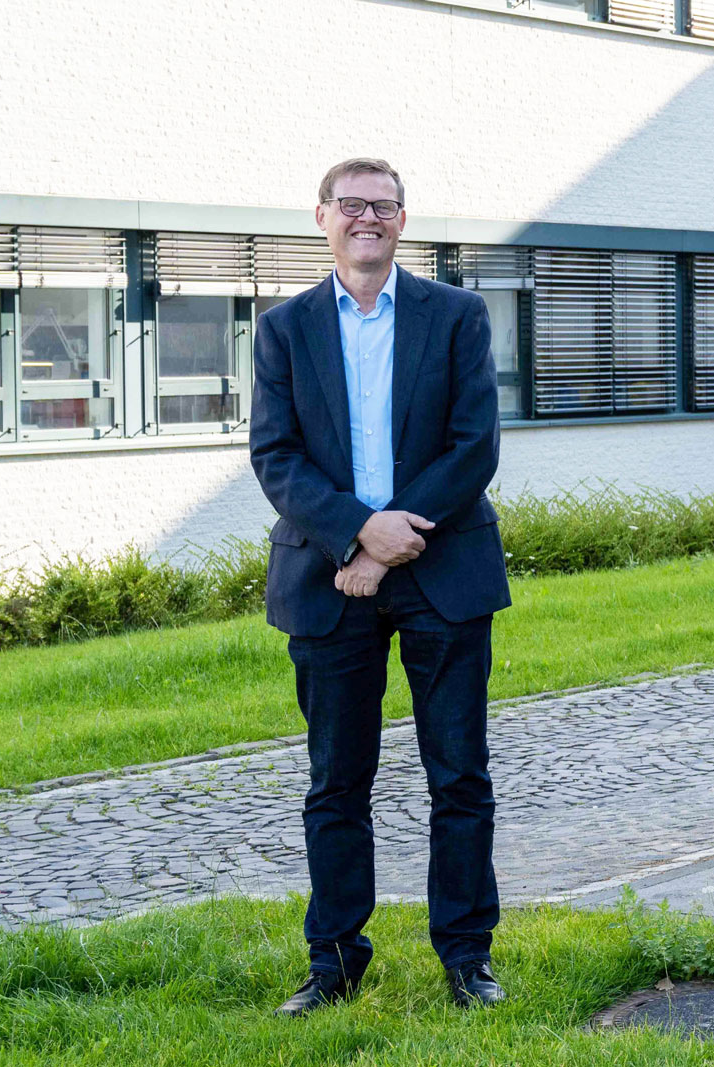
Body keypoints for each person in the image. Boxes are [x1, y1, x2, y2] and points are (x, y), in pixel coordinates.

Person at [249, 157, 511, 1016]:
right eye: (351, 205)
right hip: (330, 578)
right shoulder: (284, 328)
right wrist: (360, 532)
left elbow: (474, 446)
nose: (368, 218)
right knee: (336, 780)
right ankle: (334, 962)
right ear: (321, 215)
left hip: (442, 572)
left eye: (383, 206)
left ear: (404, 220)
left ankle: (467, 958)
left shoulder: (458, 315)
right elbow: (275, 456)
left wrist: (390, 542)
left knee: (459, 775)